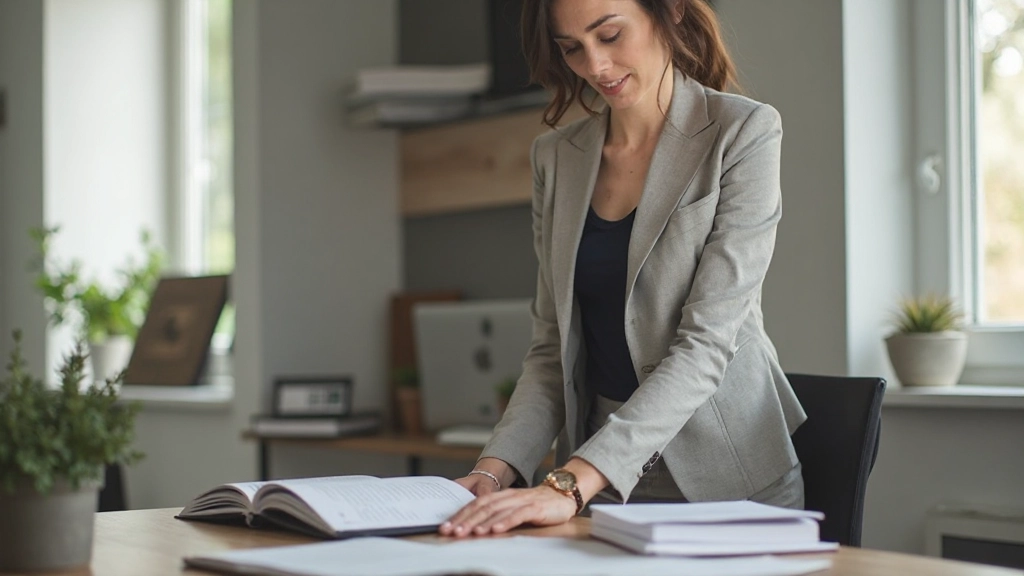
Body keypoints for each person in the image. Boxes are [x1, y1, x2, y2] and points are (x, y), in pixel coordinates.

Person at [439, 0, 807, 538]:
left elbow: (706, 345)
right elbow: (552, 351)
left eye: (610, 35)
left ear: (670, 11)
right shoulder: (555, 158)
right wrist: (493, 470)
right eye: (571, 48)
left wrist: (568, 485)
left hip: (725, 479)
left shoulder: (742, 131)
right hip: (599, 480)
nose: (594, 66)